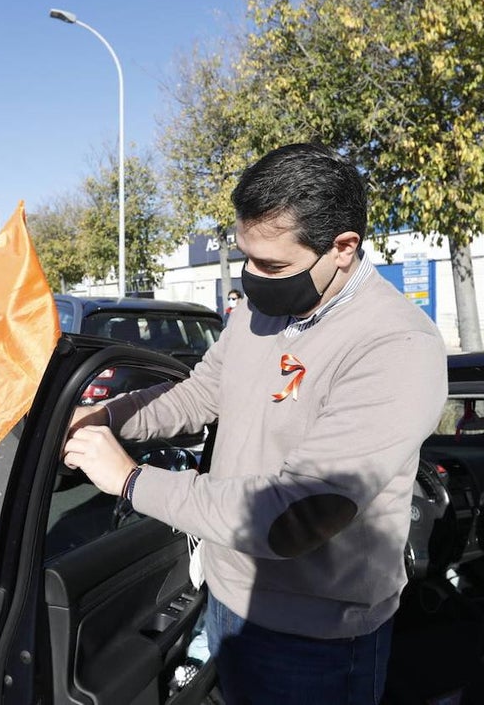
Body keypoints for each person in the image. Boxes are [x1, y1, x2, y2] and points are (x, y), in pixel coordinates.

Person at [63, 143, 448, 704]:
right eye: (245, 256)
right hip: (225, 594)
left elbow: (294, 517)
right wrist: (105, 415)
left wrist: (129, 480)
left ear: (343, 249)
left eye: (271, 265)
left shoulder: (395, 346)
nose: (250, 278)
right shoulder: (262, 309)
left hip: (316, 639)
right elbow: (198, 394)